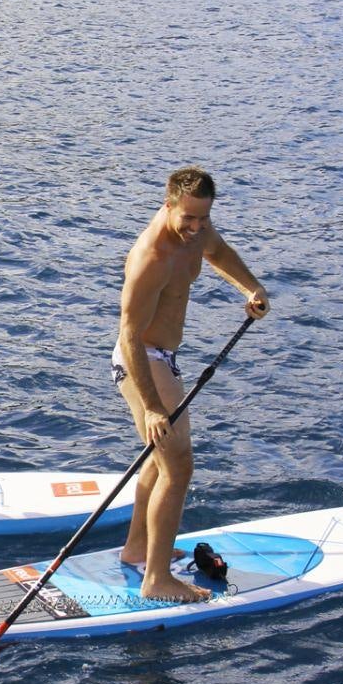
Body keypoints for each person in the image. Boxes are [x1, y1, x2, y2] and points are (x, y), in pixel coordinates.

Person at [113, 166, 270, 601]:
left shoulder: (198, 229)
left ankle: (137, 550)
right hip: (140, 359)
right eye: (189, 220)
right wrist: (150, 406)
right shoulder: (152, 256)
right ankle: (157, 579)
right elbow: (128, 337)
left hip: (165, 358)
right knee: (179, 465)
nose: (197, 228)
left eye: (204, 219)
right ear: (168, 206)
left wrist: (250, 288)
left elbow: (218, 252)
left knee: (160, 459)